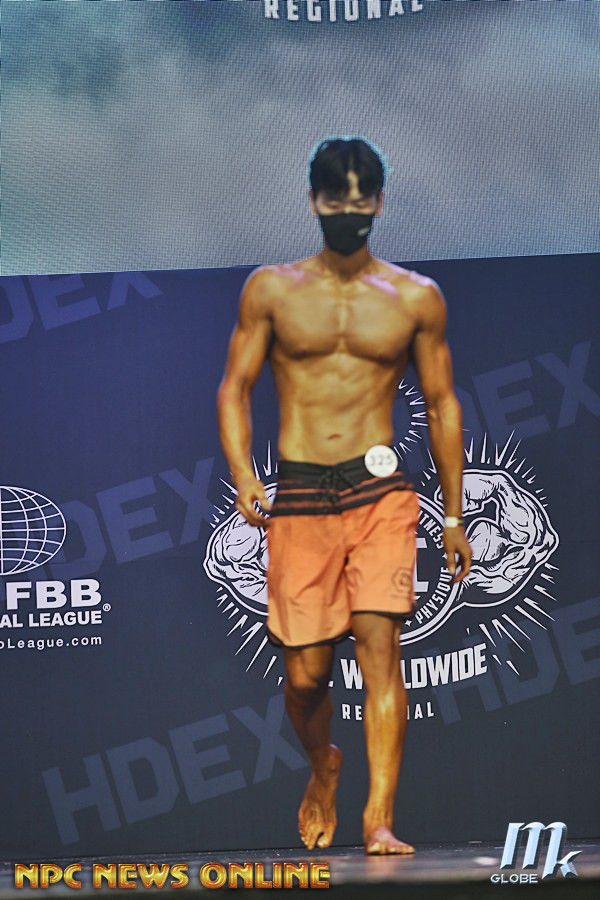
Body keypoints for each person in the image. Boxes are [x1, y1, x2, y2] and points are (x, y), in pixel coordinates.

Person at [217, 137, 472, 855]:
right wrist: (243, 474)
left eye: (362, 198)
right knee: (306, 675)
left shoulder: (415, 298)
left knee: (379, 643)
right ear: (314, 202)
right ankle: (323, 765)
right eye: (337, 198)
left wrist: (454, 514)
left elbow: (442, 403)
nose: (350, 209)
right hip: (301, 492)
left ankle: (378, 819)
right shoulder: (272, 291)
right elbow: (235, 389)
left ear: (380, 203)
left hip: (379, 490)